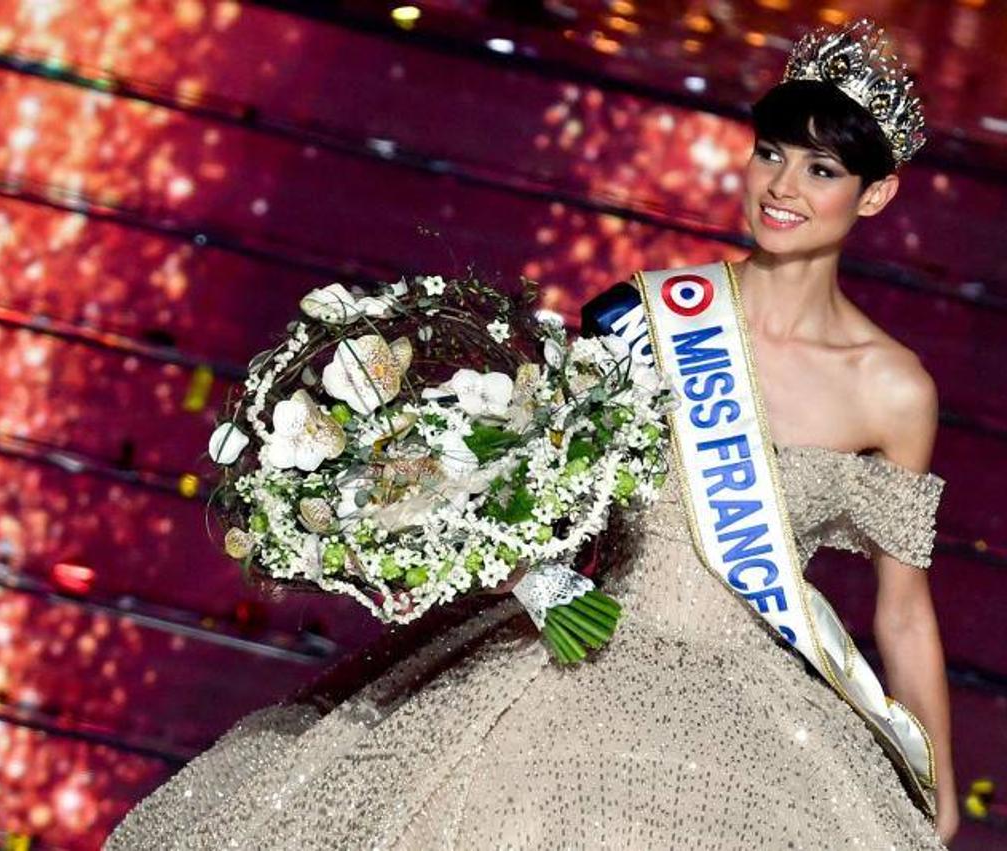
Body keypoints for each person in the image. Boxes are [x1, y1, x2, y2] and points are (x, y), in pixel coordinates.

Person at [106, 20, 957, 849]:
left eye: (822, 168)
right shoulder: (648, 316)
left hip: (756, 717)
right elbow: (535, 482)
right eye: (770, 152)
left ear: (874, 193)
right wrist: (527, 569)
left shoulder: (893, 390)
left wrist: (938, 795)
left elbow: (904, 613)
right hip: (578, 658)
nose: (782, 186)